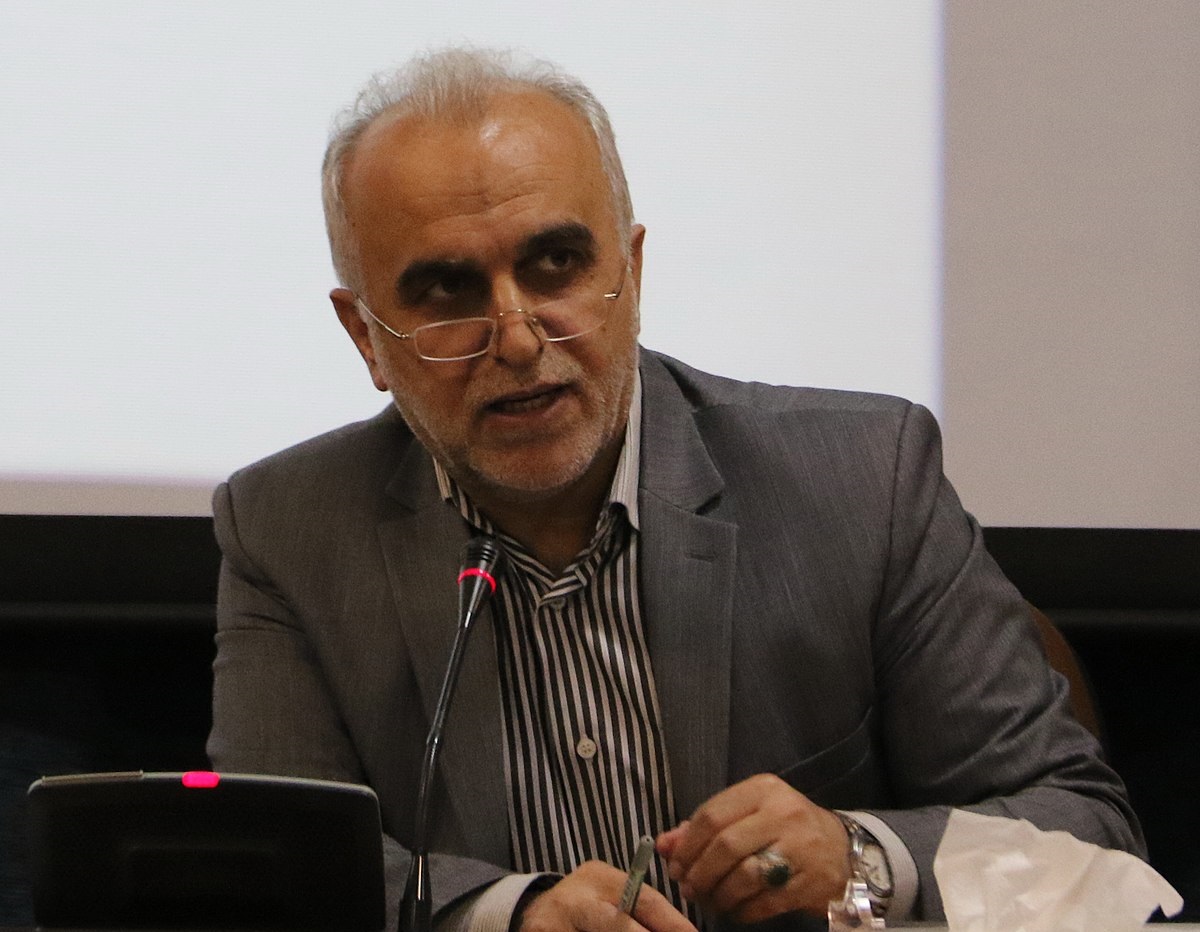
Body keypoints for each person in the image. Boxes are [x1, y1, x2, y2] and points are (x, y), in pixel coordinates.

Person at [207, 46, 1144, 932]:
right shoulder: (288, 531)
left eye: (556, 264)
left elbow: (1090, 842)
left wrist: (862, 857)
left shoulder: (864, 483)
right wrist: (507, 914)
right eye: (448, 290)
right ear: (366, 337)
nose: (519, 337)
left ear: (632, 270)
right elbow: (267, 871)